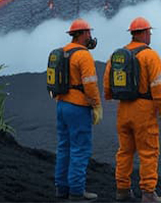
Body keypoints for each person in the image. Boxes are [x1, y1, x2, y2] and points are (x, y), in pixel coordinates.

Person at [103, 17, 161, 203]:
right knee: (148, 151)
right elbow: (158, 86)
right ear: (145, 33)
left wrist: (109, 97)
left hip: (123, 109)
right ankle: (148, 193)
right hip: (144, 110)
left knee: (124, 151)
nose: (151, 35)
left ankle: (122, 190)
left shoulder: (117, 55)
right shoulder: (150, 55)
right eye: (149, 32)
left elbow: (107, 81)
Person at [53, 19, 103, 201]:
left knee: (64, 147)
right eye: (88, 33)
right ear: (82, 34)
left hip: (62, 105)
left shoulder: (63, 52)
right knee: (80, 149)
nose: (90, 36)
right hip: (78, 107)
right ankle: (76, 191)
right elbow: (90, 84)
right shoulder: (84, 56)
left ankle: (61, 188)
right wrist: (96, 105)